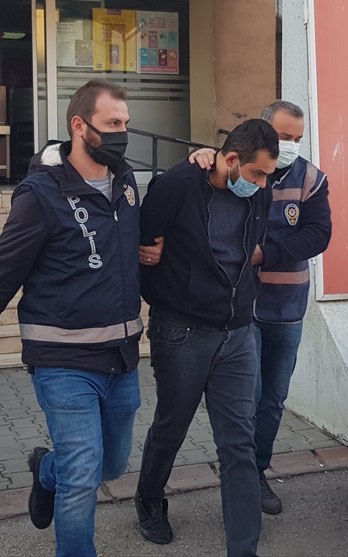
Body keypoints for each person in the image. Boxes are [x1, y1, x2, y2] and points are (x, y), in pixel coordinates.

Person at [0, 79, 152, 557]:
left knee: (110, 466)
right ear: (79, 126)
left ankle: (46, 471)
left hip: (122, 356)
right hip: (63, 360)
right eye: (112, 124)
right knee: (83, 474)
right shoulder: (40, 195)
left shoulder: (125, 182)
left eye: (125, 123)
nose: (122, 133)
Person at [135, 119, 279, 557]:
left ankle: (243, 549)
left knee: (239, 442)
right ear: (231, 159)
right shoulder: (175, 187)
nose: (262, 184)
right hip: (181, 331)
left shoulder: (259, 191)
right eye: (256, 173)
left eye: (267, 176)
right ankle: (149, 499)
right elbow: (143, 252)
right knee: (172, 426)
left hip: (238, 332)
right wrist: (169, 296)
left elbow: (252, 248)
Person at [188, 100, 331, 515]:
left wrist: (264, 254)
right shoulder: (245, 172)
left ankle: (256, 472)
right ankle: (239, 477)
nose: (291, 145)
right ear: (264, 130)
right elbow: (212, 183)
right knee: (244, 400)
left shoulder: (311, 179)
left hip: (287, 308)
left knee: (273, 399)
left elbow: (318, 235)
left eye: (297, 138)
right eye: (284, 136)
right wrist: (202, 157)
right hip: (243, 308)